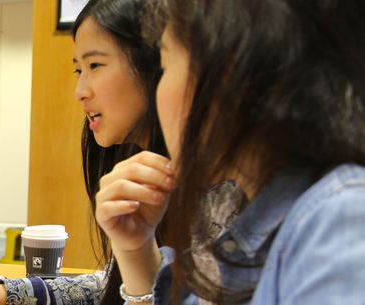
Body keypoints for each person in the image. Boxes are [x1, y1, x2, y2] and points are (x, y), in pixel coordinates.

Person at [0, 0, 169, 304]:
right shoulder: (139, 169)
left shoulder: (218, 193)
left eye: (95, 65)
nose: (80, 91)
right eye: (79, 70)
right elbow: (114, 283)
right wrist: (6, 293)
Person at [103, 0, 365, 304]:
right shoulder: (251, 226)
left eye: (164, 65)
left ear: (228, 68)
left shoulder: (339, 217)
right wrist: (135, 250)